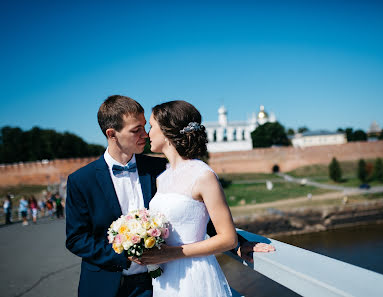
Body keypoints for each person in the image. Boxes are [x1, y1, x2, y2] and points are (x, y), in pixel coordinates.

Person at [65, 95, 273, 297]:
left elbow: (195, 211)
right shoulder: (81, 180)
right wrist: (124, 255)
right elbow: (76, 238)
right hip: (105, 285)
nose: (145, 134)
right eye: (136, 130)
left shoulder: (160, 169)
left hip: (155, 283)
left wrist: (238, 243)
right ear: (112, 134)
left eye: (146, 126)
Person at [141, 100, 236, 296]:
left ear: (167, 131)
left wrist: (172, 253)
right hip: (166, 279)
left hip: (194, 276)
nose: (147, 133)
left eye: (151, 126)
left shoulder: (203, 175)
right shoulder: (162, 178)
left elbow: (228, 238)